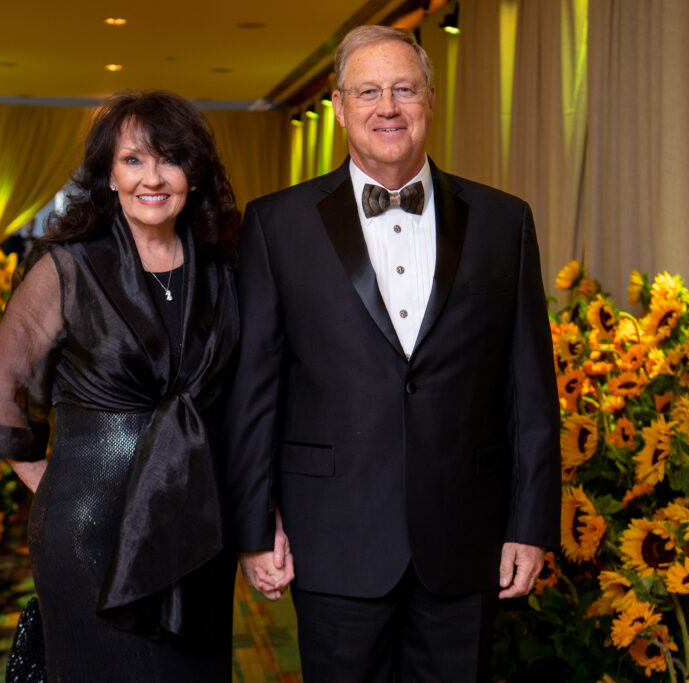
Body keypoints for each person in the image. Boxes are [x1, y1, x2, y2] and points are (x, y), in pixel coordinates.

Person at [224, 25, 561, 682]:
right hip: (333, 535)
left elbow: (529, 387)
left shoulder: (504, 222)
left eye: (404, 89)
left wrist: (531, 521)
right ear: (341, 106)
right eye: (369, 91)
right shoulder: (275, 224)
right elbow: (255, 392)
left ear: (430, 100)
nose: (388, 107)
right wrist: (255, 524)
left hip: (468, 536)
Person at [0, 90, 241, 681]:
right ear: (108, 175)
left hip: (195, 528)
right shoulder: (66, 266)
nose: (153, 178)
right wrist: (52, 481)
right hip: (87, 528)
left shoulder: (224, 269)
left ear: (192, 172)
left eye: (169, 159)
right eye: (133, 160)